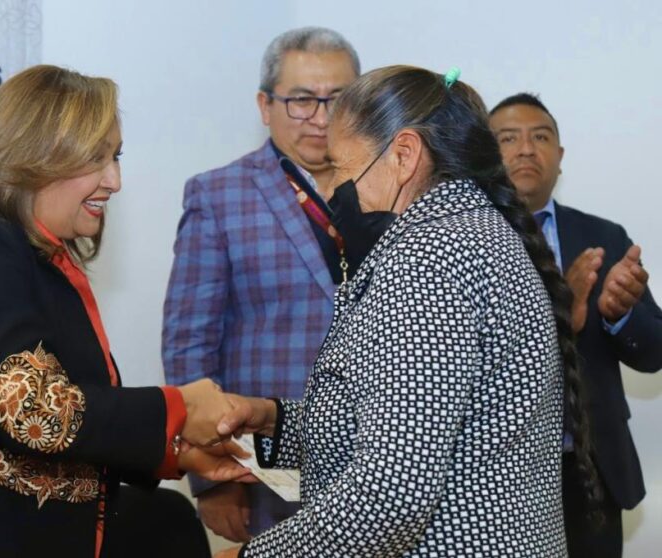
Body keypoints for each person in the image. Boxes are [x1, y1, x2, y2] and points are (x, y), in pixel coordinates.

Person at [0, 65, 254, 558]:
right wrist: (180, 407)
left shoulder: (41, 264)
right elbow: (32, 410)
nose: (115, 180)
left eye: (116, 157)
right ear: (32, 158)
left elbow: (66, 429)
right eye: (96, 158)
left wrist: (177, 452)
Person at [212, 65, 601, 558]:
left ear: (403, 155)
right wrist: (274, 423)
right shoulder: (470, 234)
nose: (330, 191)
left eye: (339, 168)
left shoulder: (429, 257)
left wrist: (253, 557)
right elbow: (417, 422)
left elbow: (391, 496)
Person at [162, 27, 360, 541]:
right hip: (266, 468)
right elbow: (189, 345)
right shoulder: (218, 194)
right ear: (264, 105)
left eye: (338, 100)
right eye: (301, 100)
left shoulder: (390, 187)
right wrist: (212, 477)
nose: (321, 118)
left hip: (377, 459)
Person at [489, 93, 662, 558]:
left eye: (541, 137)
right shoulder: (465, 240)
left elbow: (654, 353)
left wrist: (619, 314)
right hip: (498, 476)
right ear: (485, 154)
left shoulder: (603, 238)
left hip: (591, 470)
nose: (527, 149)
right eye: (509, 139)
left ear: (560, 157)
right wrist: (560, 312)